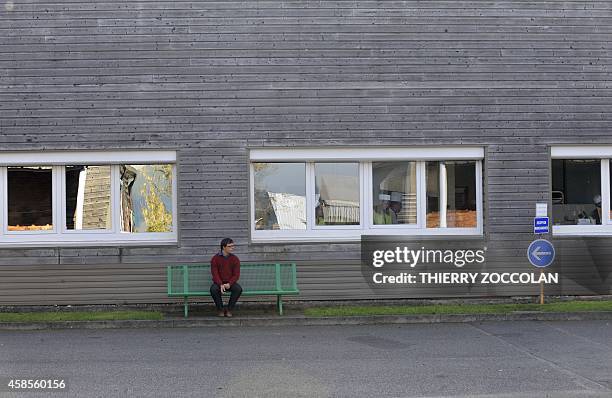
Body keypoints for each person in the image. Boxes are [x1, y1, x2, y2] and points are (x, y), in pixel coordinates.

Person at [210, 238, 242, 317]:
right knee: (213, 289)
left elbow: (236, 275)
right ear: (223, 247)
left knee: (238, 289)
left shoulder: (235, 259)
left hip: (230, 282)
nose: (232, 248)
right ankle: (220, 310)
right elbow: (215, 274)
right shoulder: (215, 259)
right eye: (230, 246)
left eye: (233, 246)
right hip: (219, 283)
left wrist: (229, 284)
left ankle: (229, 310)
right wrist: (220, 284)